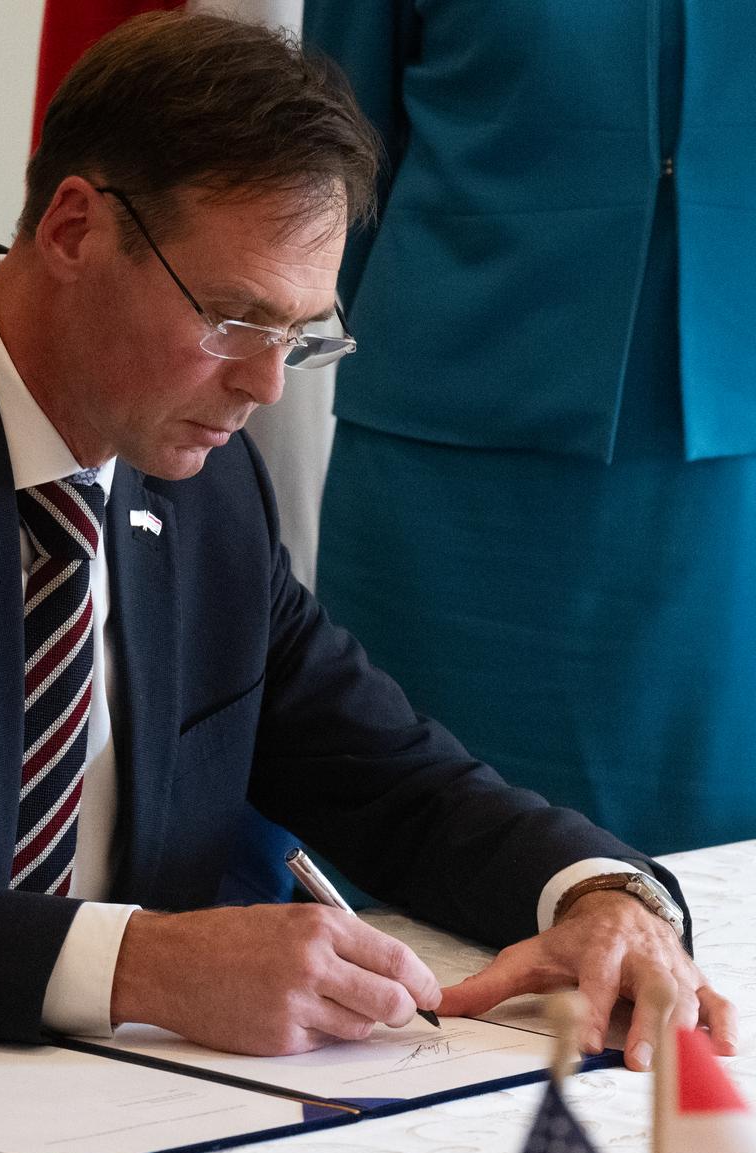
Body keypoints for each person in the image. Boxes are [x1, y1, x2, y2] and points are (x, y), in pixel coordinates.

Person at [0, 12, 732, 1068]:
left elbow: (391, 779)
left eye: (301, 335)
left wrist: (596, 893)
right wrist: (138, 964)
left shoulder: (201, 479)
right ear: (72, 228)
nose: (264, 385)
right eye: (232, 318)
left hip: (92, 1114)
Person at [309, 3, 756, 859]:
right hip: (449, 446)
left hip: (726, 471)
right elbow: (331, 151)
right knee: (416, 828)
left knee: (713, 863)